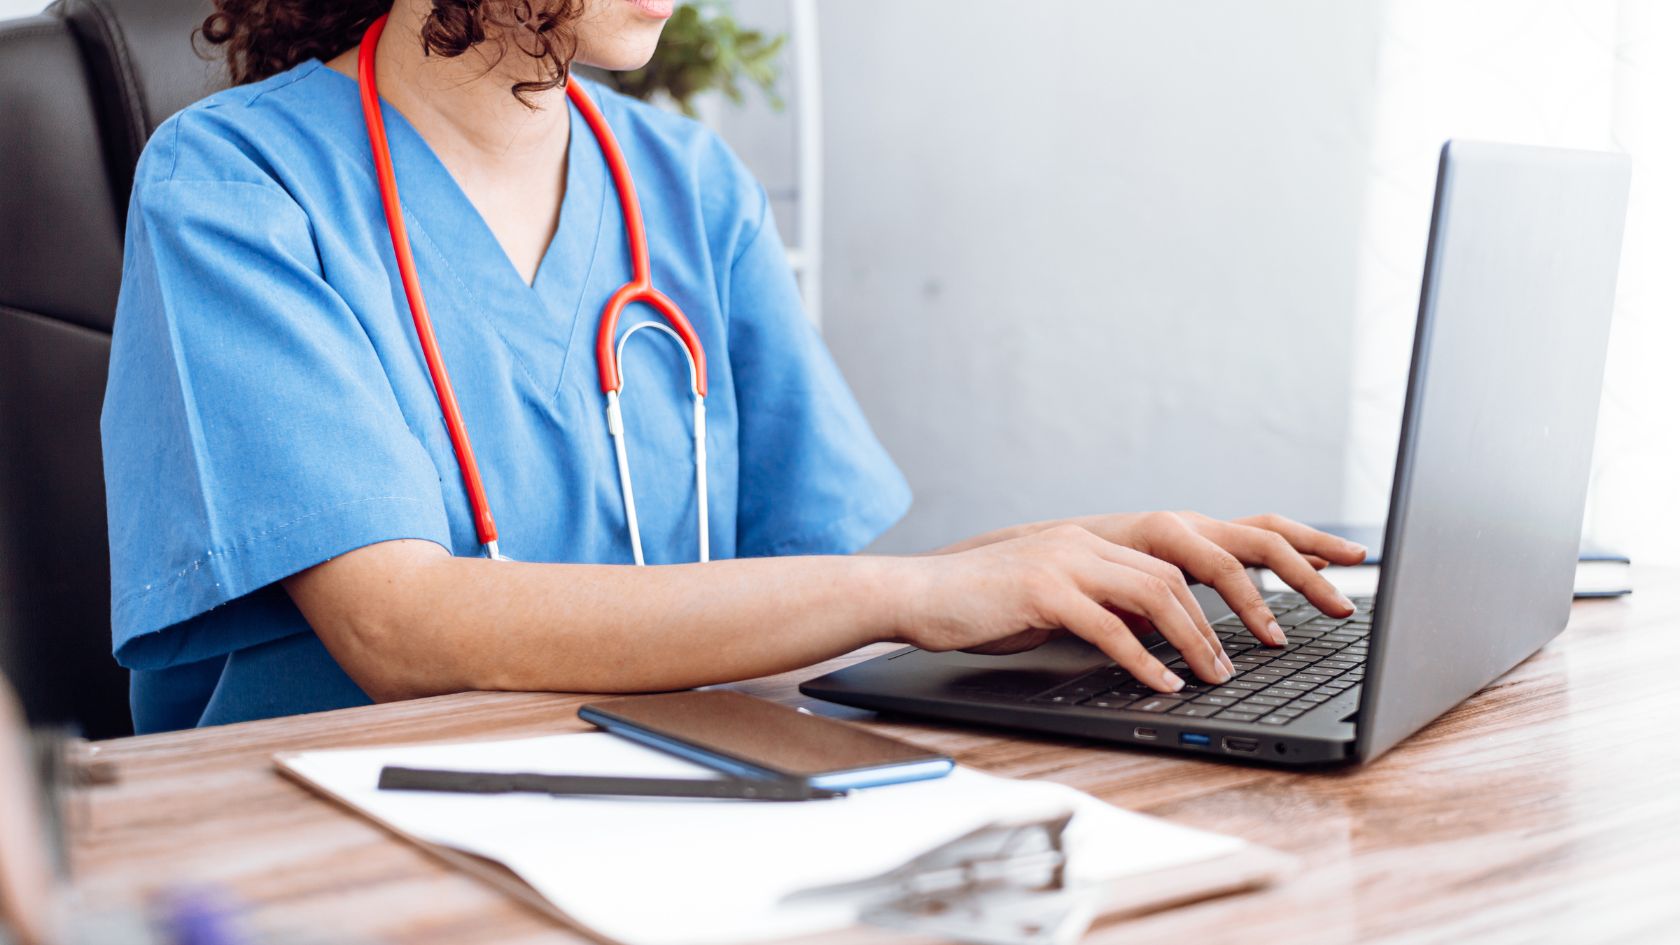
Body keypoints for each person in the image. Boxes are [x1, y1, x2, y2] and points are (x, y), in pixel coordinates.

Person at [101, 0, 1367, 734]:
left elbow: (794, 585)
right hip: (326, 842)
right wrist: (913, 596)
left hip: (653, 803)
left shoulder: (688, 185)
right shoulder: (233, 184)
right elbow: (399, 627)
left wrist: (1042, 563)